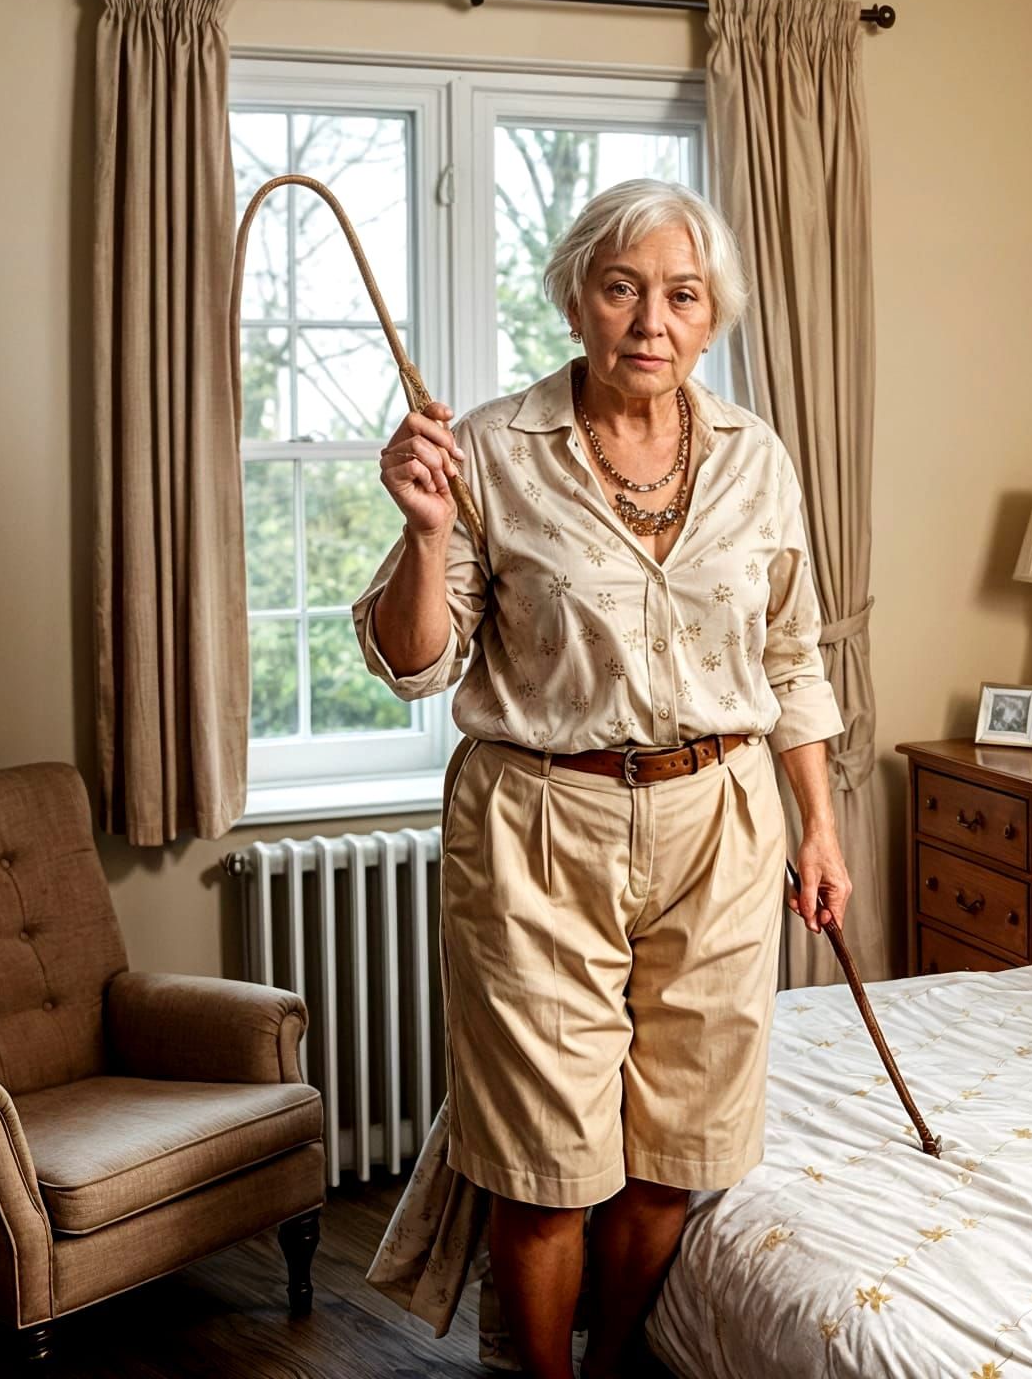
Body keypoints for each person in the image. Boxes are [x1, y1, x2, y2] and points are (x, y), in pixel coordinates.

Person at [351, 177, 849, 1379]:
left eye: (682, 295)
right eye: (622, 289)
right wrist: (426, 532)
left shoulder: (757, 457)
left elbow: (791, 657)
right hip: (537, 824)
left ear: (713, 317)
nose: (650, 321)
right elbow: (416, 666)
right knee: (545, 1168)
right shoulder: (487, 450)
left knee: (677, 1154)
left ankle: (614, 1360)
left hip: (722, 820)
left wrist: (819, 827)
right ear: (575, 299)